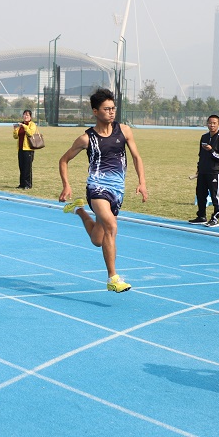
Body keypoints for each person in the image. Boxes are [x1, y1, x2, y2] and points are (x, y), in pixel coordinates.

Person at [59, 88, 147, 293]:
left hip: (117, 190)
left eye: (113, 108)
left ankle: (78, 210)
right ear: (95, 111)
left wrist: (142, 182)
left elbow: (136, 157)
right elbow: (63, 160)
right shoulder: (86, 138)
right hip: (97, 188)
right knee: (111, 226)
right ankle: (112, 278)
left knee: (98, 240)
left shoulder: (124, 131)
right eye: (106, 109)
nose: (111, 112)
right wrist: (66, 185)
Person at [188, 114, 219, 227]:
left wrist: (211, 150)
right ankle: (201, 216)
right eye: (210, 123)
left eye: (214, 123)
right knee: (200, 195)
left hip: (214, 172)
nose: (212, 125)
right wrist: (199, 168)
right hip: (203, 172)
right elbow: (201, 154)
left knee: (216, 196)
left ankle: (215, 218)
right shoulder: (204, 137)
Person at [13, 109, 37, 189]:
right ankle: (22, 184)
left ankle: (28, 184)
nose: (25, 116)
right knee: (21, 167)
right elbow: (15, 137)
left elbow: (30, 133)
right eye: (24, 115)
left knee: (27, 167)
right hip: (20, 148)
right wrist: (15, 129)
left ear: (30, 117)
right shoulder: (20, 125)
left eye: (27, 115)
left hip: (28, 149)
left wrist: (24, 126)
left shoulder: (32, 124)